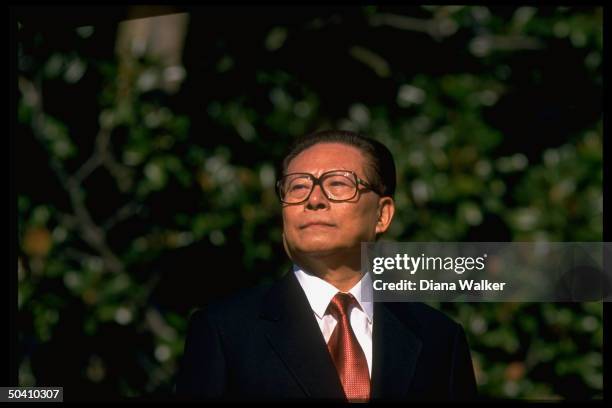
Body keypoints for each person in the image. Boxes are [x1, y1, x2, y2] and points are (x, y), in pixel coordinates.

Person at [175, 130, 478, 402]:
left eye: (338, 184)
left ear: (382, 214)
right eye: (297, 187)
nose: (314, 199)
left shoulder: (437, 338)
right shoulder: (225, 330)